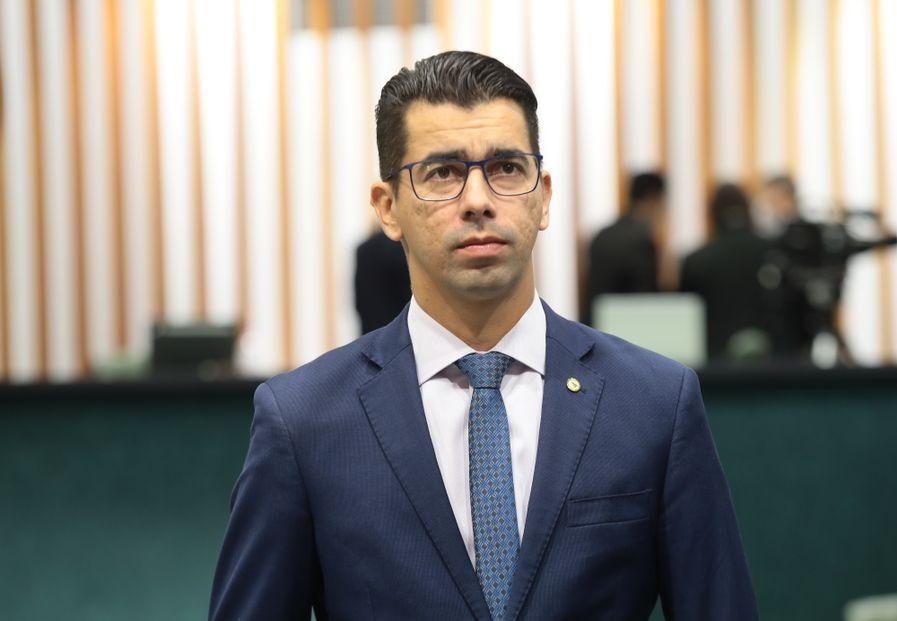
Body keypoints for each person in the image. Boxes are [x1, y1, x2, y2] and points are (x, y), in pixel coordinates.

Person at [210, 51, 757, 620]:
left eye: (507, 168)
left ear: (543, 196)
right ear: (388, 208)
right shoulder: (304, 421)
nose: (477, 200)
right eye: (442, 173)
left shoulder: (653, 402)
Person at [680, 184, 775, 361]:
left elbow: (687, 320)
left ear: (712, 215)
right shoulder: (774, 254)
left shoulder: (696, 261)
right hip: (774, 365)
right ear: (748, 211)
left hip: (714, 365)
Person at [583, 172, 667, 326]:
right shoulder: (642, 241)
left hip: (594, 325)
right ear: (653, 199)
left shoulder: (602, 235)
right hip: (627, 328)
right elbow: (647, 299)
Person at [354, 229, 411, 333]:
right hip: (402, 329)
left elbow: (360, 302)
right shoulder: (405, 250)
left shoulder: (364, 249)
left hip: (372, 330)